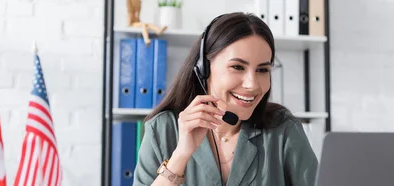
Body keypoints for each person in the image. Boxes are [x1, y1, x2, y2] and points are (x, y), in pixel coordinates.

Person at [132, 12, 319, 186]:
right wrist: (181, 154)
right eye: (237, 67)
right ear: (204, 68)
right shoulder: (162, 129)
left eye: (262, 70)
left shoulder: (283, 129)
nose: (252, 85)